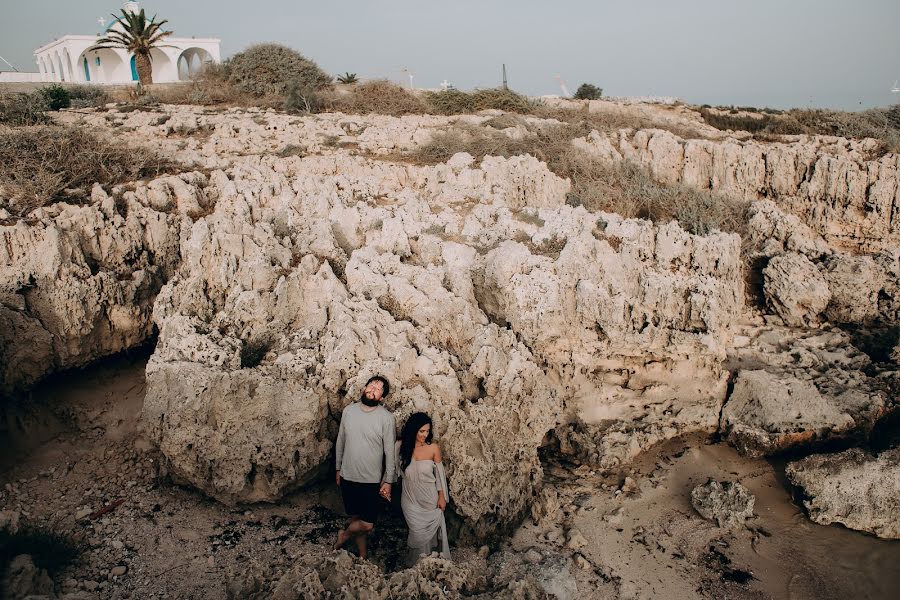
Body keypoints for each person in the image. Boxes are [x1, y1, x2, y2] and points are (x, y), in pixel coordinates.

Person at [333, 375, 396, 560]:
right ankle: (362, 555)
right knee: (355, 518)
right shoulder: (349, 412)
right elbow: (341, 441)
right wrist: (338, 469)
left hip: (372, 480)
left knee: (367, 524)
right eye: (371, 385)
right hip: (348, 475)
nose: (373, 389)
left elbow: (390, 452)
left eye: (378, 389)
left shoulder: (386, 418)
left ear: (382, 398)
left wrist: (388, 480)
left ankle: (343, 535)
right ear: (364, 388)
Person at [396, 412, 450, 565]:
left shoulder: (433, 448)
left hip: (429, 497)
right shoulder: (400, 447)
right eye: (421, 431)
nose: (425, 434)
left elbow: (439, 476)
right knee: (416, 533)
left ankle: (430, 564)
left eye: (427, 431)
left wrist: (441, 497)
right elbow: (394, 471)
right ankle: (417, 565)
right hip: (409, 498)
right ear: (413, 430)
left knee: (432, 533)